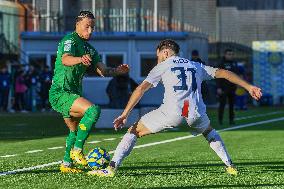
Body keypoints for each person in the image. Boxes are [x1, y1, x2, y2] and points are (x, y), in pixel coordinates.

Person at [88, 39, 262, 177]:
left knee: (134, 131)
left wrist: (125, 114)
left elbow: (140, 89)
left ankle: (111, 168)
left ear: (165, 52)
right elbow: (224, 73)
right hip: (195, 113)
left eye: (158, 56)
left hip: (171, 113)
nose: (158, 59)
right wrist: (249, 87)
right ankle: (230, 166)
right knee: (209, 132)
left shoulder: (163, 66)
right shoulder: (196, 66)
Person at [49, 10, 129, 173]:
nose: (90, 31)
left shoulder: (91, 50)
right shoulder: (69, 40)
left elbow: (103, 71)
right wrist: (80, 59)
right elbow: (65, 59)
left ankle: (66, 164)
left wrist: (117, 71)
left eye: (92, 27)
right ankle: (77, 150)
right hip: (60, 92)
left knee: (73, 131)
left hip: (73, 94)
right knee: (93, 110)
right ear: (77, 25)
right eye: (87, 27)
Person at [216, 49, 239, 125]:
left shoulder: (234, 63)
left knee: (232, 105)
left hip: (232, 87)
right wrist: (219, 87)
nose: (230, 56)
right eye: (229, 54)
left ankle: (231, 120)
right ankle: (220, 120)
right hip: (223, 87)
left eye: (232, 54)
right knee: (222, 104)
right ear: (225, 55)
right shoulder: (221, 63)